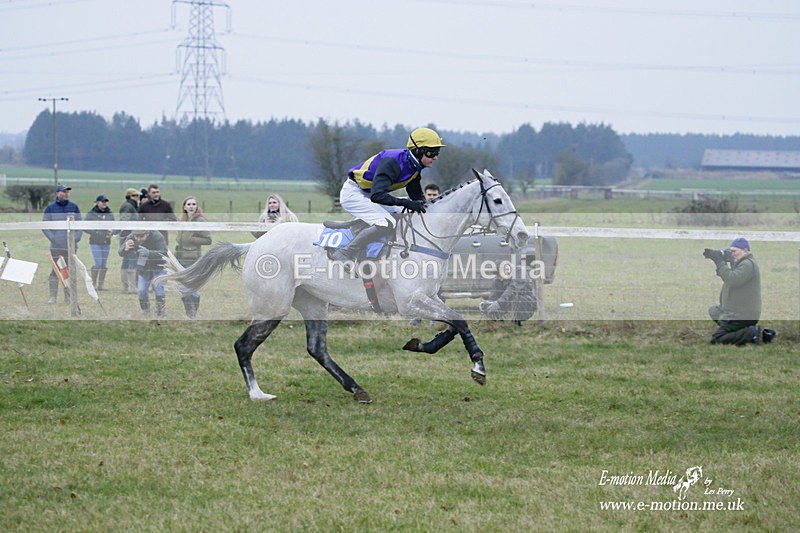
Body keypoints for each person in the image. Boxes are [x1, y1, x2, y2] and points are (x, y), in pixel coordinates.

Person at [330, 127, 445, 266]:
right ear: (418, 150)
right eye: (432, 153)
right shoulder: (392, 162)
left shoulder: (415, 167)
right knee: (387, 223)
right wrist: (406, 203)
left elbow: (416, 195)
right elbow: (377, 195)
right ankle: (345, 252)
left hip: (369, 194)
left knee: (403, 213)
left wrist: (427, 207)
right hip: (354, 193)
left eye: (437, 153)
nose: (436, 157)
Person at [703, 238, 775, 345]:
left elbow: (732, 279)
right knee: (714, 311)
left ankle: (751, 333)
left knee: (717, 339)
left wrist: (720, 262)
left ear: (745, 250)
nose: (732, 254)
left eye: (734, 251)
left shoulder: (747, 264)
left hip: (742, 314)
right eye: (730, 251)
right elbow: (728, 276)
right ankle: (758, 334)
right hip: (738, 312)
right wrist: (724, 259)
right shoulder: (742, 263)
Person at [42, 184, 82, 304]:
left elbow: (80, 224)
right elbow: (45, 225)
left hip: (71, 245)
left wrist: (76, 238)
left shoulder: (74, 207)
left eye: (67, 192)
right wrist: (53, 238)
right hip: (56, 245)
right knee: (56, 270)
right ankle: (53, 297)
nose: (66, 194)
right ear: (57, 193)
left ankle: (68, 297)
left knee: (69, 270)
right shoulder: (50, 208)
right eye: (63, 191)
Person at [175, 196, 212, 318]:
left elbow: (208, 240)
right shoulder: (182, 220)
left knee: (192, 288)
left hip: (193, 259)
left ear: (196, 206)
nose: (191, 206)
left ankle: (192, 313)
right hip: (180, 258)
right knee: (182, 287)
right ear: (184, 207)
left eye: (193, 204)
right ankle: (189, 313)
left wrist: (193, 239)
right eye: (189, 204)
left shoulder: (200, 220)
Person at [119, 229, 168, 317]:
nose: (138, 239)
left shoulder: (158, 236)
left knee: (159, 290)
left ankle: (160, 314)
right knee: (141, 291)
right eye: (136, 237)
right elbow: (120, 252)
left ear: (147, 234)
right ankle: (146, 312)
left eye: (142, 237)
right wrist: (125, 248)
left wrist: (149, 253)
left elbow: (164, 252)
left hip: (159, 266)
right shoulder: (130, 237)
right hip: (144, 268)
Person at [84, 194, 116, 291]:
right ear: (97, 202)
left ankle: (100, 285)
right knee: (98, 263)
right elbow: (84, 226)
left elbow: (115, 225)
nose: (104, 204)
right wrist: (94, 232)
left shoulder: (109, 214)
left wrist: (112, 232)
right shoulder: (91, 214)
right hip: (95, 241)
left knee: (103, 264)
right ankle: (93, 283)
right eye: (102, 202)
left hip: (106, 241)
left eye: (105, 202)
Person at [118, 188, 141, 293]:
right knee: (131, 259)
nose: (137, 198)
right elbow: (125, 221)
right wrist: (131, 234)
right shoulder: (128, 206)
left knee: (126, 261)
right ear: (130, 196)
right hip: (129, 235)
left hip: (128, 235)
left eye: (137, 196)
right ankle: (131, 287)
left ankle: (126, 287)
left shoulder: (131, 206)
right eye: (134, 196)